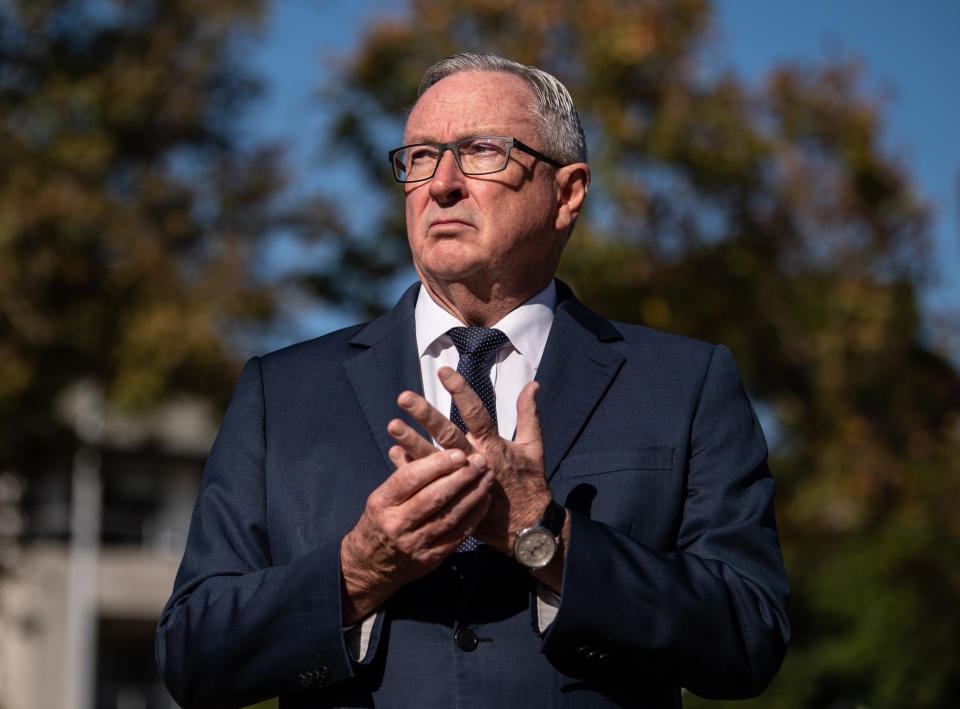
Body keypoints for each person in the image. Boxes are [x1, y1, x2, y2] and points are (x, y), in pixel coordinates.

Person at [156, 52, 789, 709]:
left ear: (567, 193)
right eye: (421, 156)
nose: (442, 183)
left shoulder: (683, 384)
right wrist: (356, 571)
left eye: (482, 150)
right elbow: (193, 655)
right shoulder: (280, 392)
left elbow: (749, 636)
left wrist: (546, 538)